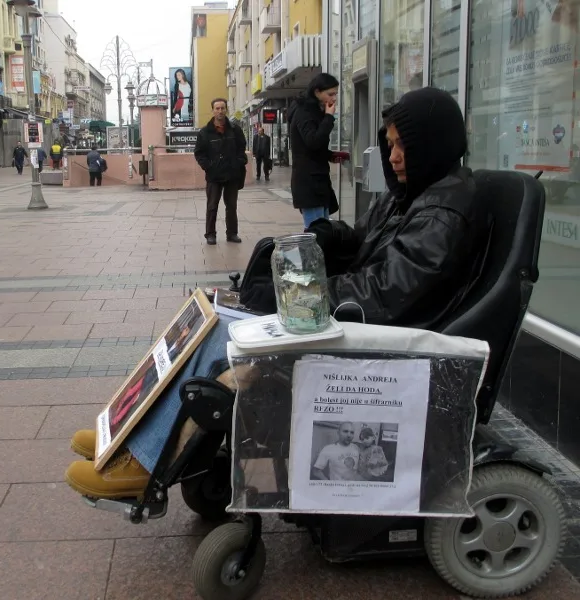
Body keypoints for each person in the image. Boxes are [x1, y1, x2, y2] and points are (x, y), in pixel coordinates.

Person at [64, 86, 490, 500]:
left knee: (222, 335)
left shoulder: (442, 213)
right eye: (391, 144)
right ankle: (131, 433)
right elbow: (365, 244)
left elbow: (384, 294)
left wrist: (295, 297)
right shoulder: (412, 194)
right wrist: (327, 237)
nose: (393, 156)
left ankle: (144, 463)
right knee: (208, 312)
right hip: (357, 322)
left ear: (431, 145)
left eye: (403, 146)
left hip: (381, 342)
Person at [288, 73, 349, 228]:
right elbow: (313, 141)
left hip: (319, 181)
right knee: (316, 232)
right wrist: (329, 118)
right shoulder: (304, 112)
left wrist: (331, 155)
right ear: (317, 92)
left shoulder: (315, 111)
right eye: (330, 94)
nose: (334, 98)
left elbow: (314, 147)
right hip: (309, 183)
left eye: (336, 94)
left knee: (323, 230)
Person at [194, 98, 247, 245]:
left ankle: (232, 233)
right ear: (213, 110)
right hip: (214, 175)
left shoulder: (235, 130)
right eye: (217, 108)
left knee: (231, 206)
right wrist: (208, 166)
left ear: (226, 110)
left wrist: (238, 162)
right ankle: (210, 234)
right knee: (212, 206)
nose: (220, 111)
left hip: (232, 174)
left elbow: (242, 148)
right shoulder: (205, 132)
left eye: (222, 108)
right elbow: (199, 153)